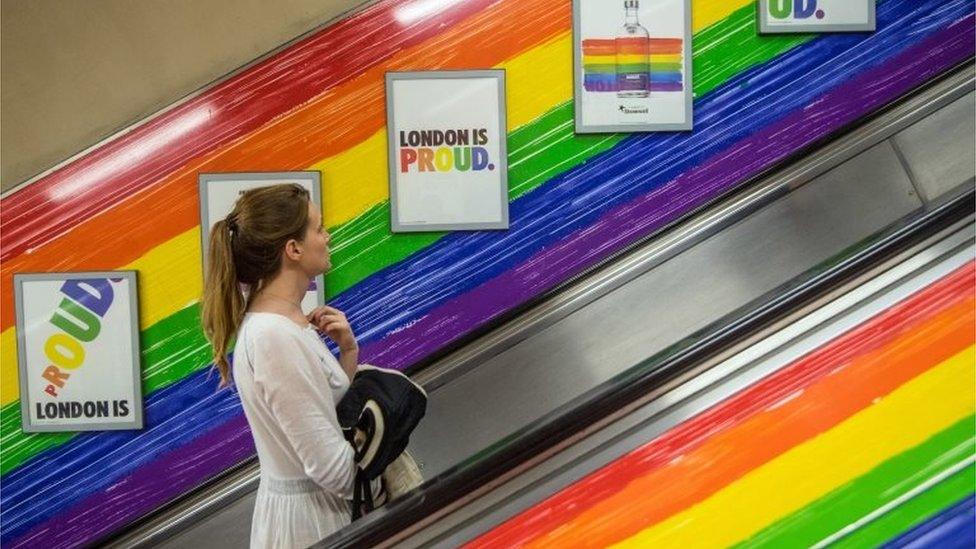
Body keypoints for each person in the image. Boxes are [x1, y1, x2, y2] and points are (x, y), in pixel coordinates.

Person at [201, 183, 365, 548]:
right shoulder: (273, 337)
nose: (327, 237)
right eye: (319, 228)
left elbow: (324, 416)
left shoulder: (286, 322)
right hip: (311, 526)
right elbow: (334, 471)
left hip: (317, 514)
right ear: (293, 249)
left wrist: (348, 354)